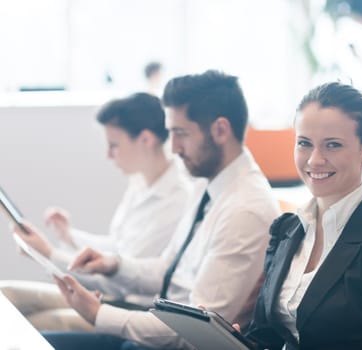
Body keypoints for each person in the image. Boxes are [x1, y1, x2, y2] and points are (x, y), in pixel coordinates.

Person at [37, 70, 281, 349]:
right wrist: (114, 265)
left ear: (221, 130)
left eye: (180, 134)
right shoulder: (209, 183)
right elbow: (169, 268)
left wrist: (97, 314)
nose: (173, 148)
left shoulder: (244, 210)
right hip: (159, 322)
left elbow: (195, 329)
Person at [243, 81, 362, 349]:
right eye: (304, 143)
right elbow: (266, 335)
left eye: (332, 145)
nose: (314, 160)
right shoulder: (286, 230)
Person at [1, 92, 194, 331]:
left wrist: (50, 254)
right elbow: (117, 247)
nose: (108, 155)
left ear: (145, 139)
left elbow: (120, 282)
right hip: (112, 298)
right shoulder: (140, 183)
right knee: (6, 294)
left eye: (114, 145)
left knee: (31, 323)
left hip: (129, 308)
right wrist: (70, 236)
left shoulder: (176, 201)